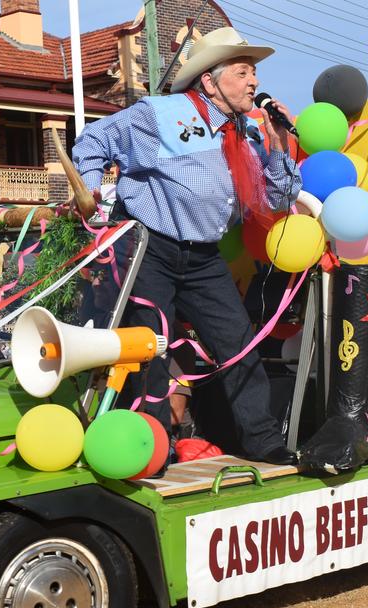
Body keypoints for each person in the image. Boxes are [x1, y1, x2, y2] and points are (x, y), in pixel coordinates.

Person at [73, 27, 300, 466]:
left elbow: (280, 197)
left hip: (203, 257)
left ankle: (263, 442)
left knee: (239, 343)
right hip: (148, 249)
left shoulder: (249, 136)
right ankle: (153, 452)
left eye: (254, 72)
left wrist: (277, 144)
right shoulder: (160, 114)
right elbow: (94, 141)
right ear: (210, 81)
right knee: (149, 350)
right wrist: (94, 200)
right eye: (242, 71)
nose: (254, 81)